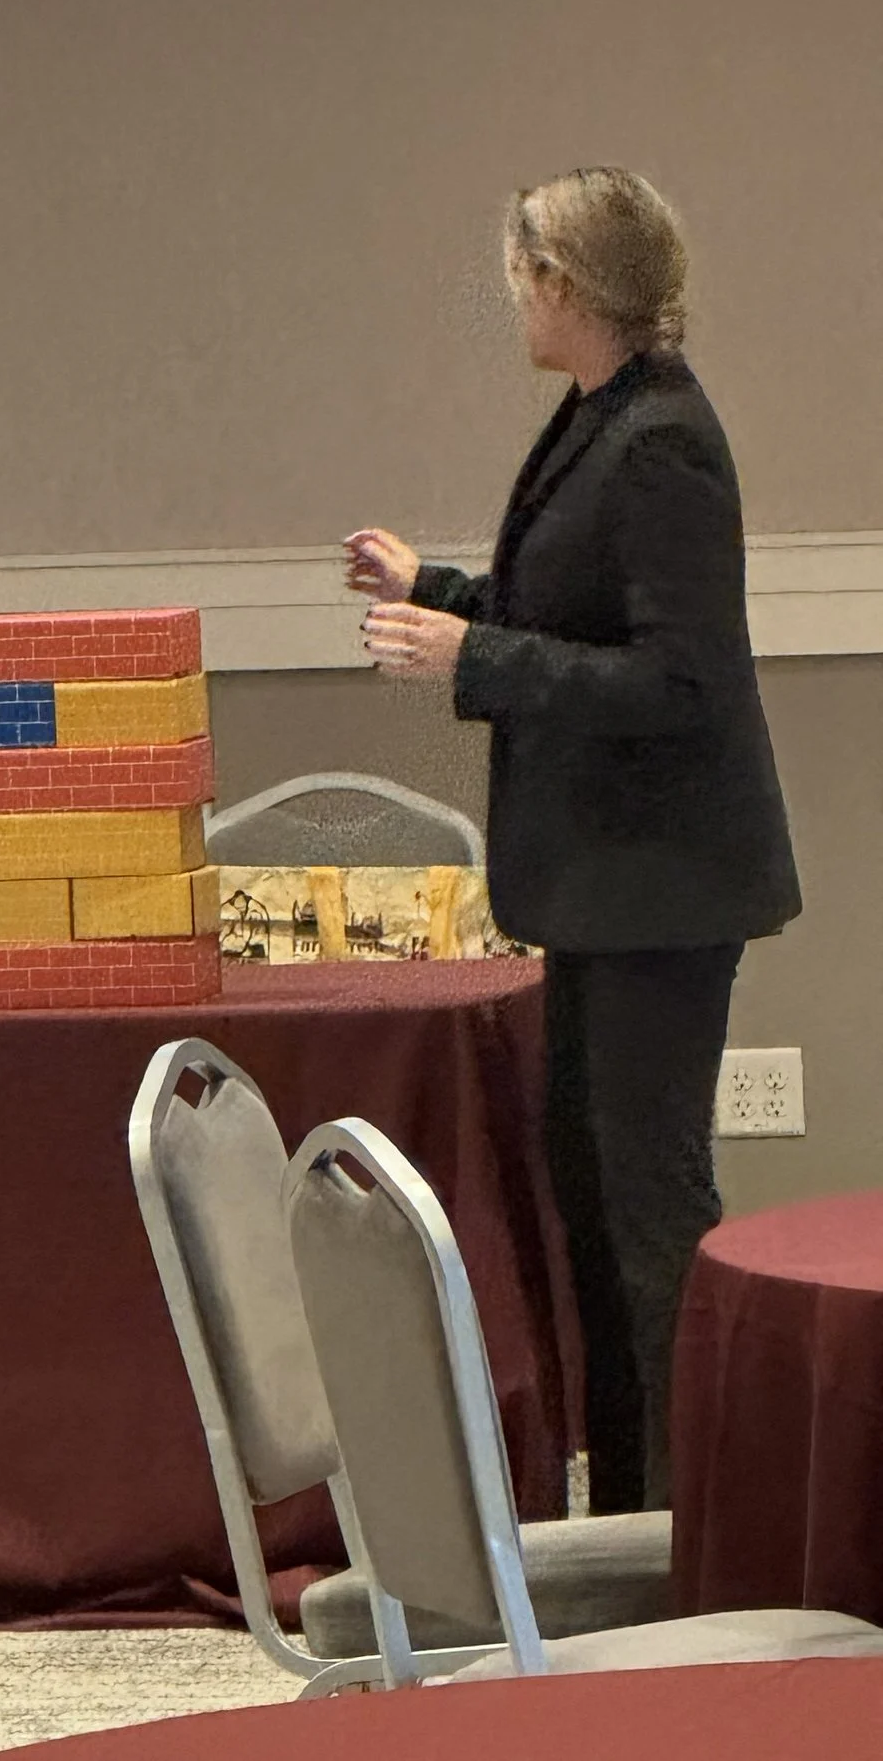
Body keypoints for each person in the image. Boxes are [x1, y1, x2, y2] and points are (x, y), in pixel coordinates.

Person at [345, 169, 799, 1515]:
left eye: (525, 279)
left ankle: (688, 1525)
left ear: (567, 285)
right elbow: (575, 613)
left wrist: (474, 655)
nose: (515, 304)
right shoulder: (603, 419)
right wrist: (439, 591)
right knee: (593, 1210)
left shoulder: (662, 441)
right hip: (605, 893)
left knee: (649, 1220)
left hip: (661, 894)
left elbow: (678, 680)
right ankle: (631, 1518)